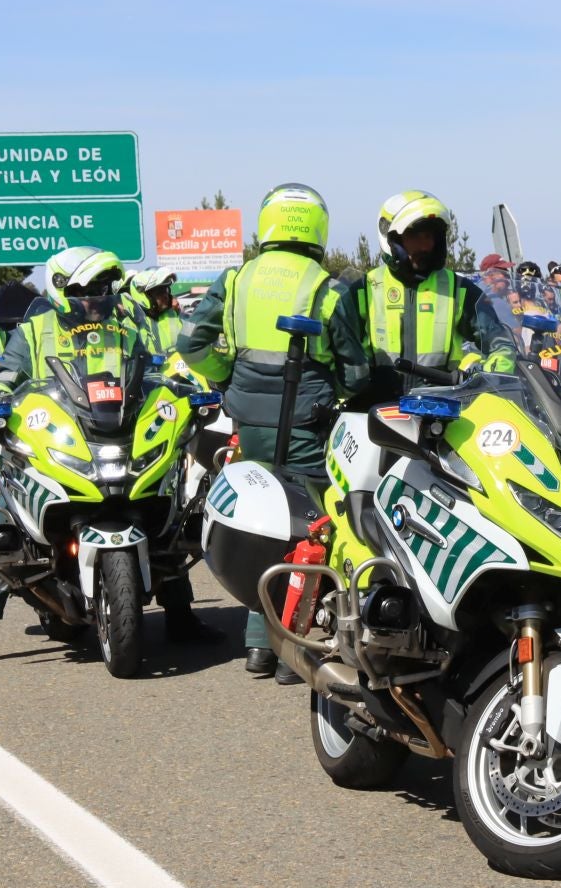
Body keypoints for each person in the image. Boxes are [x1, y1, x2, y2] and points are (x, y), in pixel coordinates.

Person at [0, 250, 217, 668]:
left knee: (169, 518)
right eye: (84, 290)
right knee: (3, 525)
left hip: (111, 430)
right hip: (51, 431)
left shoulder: (126, 327)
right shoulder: (35, 329)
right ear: (59, 290)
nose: (95, 297)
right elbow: (7, 374)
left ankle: (181, 617)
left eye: (101, 289)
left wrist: (180, 387)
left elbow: (150, 368)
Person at [179, 184, 363, 681]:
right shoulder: (326, 287)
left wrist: (224, 376)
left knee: (262, 524)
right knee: (311, 531)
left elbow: (191, 342)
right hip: (305, 425)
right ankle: (292, 652)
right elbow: (353, 368)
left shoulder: (236, 279)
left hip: (248, 425)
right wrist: (342, 393)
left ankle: (258, 648)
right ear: (317, 228)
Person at [334, 191, 488, 407]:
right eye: (415, 236)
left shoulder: (459, 289)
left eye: (429, 237)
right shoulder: (364, 289)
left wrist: (487, 372)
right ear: (392, 238)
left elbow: (500, 342)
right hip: (374, 413)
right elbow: (336, 354)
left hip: (441, 414)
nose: (425, 246)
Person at [125, 267, 183, 357]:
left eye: (166, 290)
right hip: (147, 370)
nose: (165, 296)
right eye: (159, 292)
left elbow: (193, 337)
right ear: (142, 295)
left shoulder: (173, 315)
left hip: (178, 369)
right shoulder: (130, 323)